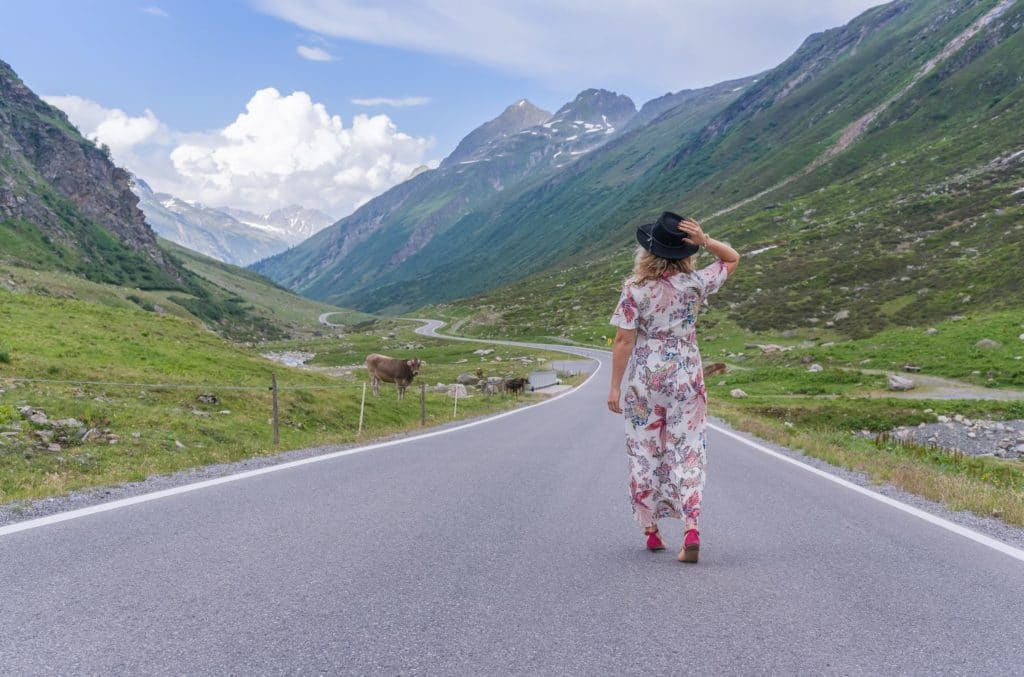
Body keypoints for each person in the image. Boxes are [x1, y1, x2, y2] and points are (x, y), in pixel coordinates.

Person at [607, 211, 740, 563]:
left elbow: (623, 340)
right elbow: (731, 258)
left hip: (645, 378)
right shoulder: (696, 283)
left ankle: (651, 531)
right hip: (686, 374)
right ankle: (691, 528)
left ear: (647, 252)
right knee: (689, 448)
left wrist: (614, 388)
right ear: (685, 253)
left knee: (644, 450)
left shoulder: (634, 290)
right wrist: (705, 240)